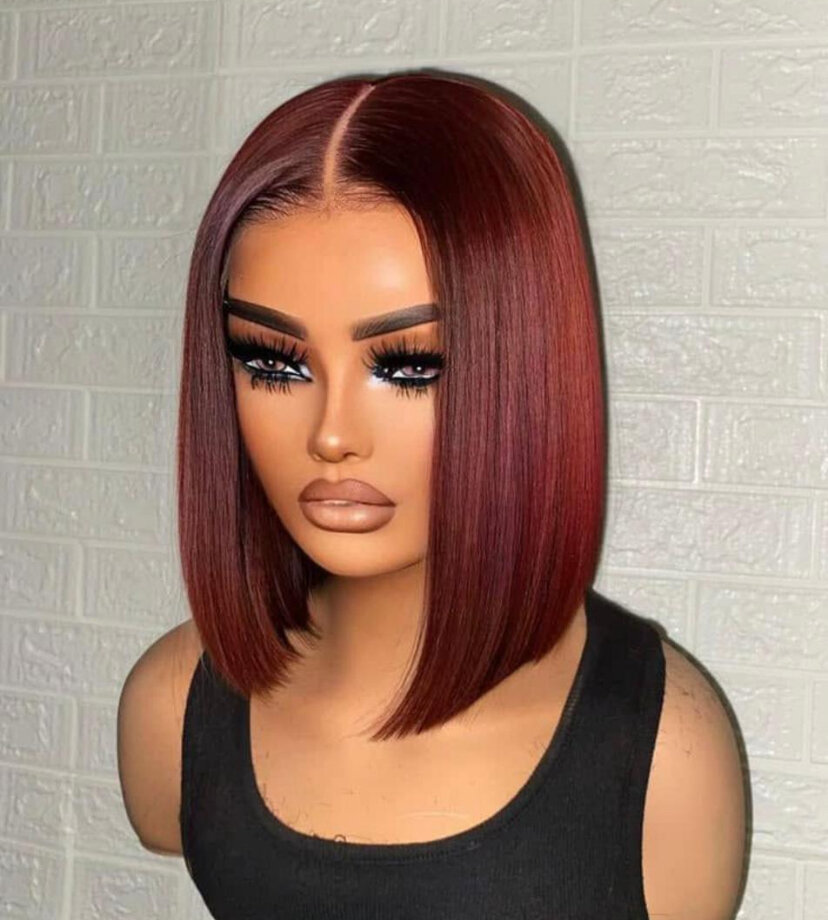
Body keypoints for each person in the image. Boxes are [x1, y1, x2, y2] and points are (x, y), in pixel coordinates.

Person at [116, 69, 747, 919]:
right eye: (273, 361)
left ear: (525, 367)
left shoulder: (663, 750)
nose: (331, 434)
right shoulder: (172, 703)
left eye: (408, 366)